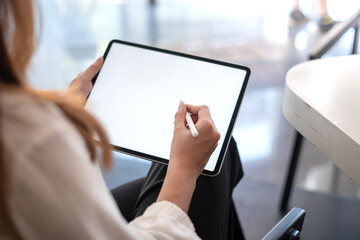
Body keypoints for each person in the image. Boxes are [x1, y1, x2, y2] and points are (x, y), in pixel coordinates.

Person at [0, 0, 244, 239]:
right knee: (213, 155)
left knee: (212, 151)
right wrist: (184, 170)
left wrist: (67, 112)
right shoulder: (29, 139)